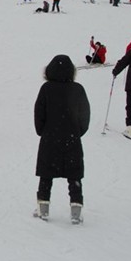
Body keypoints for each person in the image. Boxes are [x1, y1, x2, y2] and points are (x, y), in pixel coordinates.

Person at [33, 55, 90, 224]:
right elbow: (85, 115)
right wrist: (77, 132)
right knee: (74, 175)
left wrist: (42, 131)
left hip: (50, 137)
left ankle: (43, 208)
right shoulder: (78, 89)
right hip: (71, 138)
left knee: (46, 173)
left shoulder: (46, 89)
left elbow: (39, 113)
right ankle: (76, 210)